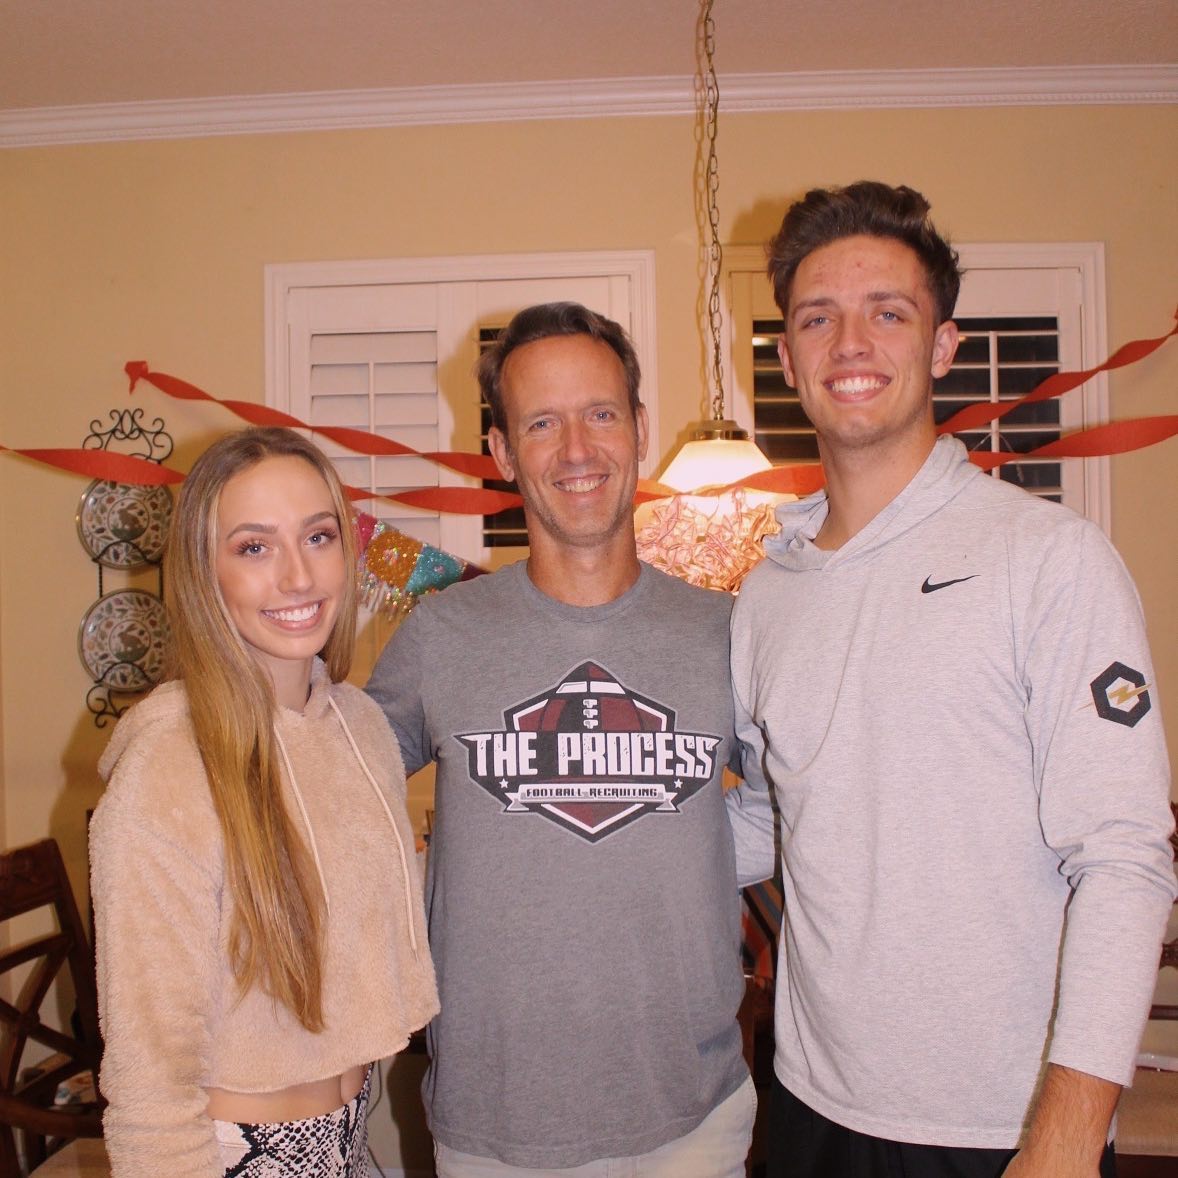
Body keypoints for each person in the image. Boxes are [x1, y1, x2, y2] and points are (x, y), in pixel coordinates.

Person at [726, 180, 1177, 1178]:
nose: (848, 341)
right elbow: (766, 821)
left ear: (940, 346)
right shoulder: (764, 593)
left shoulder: (1046, 558)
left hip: (999, 1130)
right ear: (788, 354)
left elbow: (1123, 854)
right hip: (805, 1102)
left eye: (885, 312)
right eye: (816, 317)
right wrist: (577, 828)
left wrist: (1063, 1130)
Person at [366, 302, 753, 1176]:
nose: (577, 450)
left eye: (600, 413)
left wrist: (700, 848)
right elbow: (329, 789)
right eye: (542, 422)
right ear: (502, 452)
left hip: (693, 1122)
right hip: (494, 1129)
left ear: (641, 429)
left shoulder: (728, 634)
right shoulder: (440, 635)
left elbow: (807, 801)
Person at [90, 427, 438, 1176]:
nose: (297, 576)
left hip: (351, 1143)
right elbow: (150, 1077)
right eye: (253, 547)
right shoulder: (169, 769)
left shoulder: (361, 728)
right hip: (235, 1156)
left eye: (318, 536)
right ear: (203, 572)